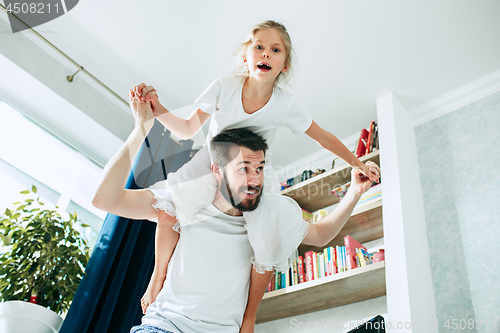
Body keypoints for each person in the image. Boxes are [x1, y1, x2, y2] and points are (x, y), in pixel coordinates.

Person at [130, 19, 381, 314]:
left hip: (251, 169)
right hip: (212, 157)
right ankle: (158, 276)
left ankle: (248, 315)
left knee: (266, 241)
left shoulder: (285, 104)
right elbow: (186, 129)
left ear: (284, 65)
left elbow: (322, 137)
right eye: (259, 47)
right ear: (246, 57)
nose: (265, 54)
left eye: (275, 50)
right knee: (169, 207)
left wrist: (358, 162)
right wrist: (157, 109)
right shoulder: (226, 85)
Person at [92, 94, 379, 333]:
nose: (255, 179)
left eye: (260, 168)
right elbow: (105, 199)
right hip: (166, 326)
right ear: (217, 171)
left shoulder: (268, 216)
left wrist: (354, 192)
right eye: (244, 168)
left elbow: (321, 235)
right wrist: (142, 127)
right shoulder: (189, 201)